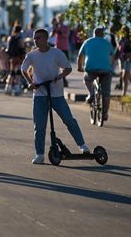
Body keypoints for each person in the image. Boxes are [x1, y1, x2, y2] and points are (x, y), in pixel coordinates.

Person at [21, 28, 90, 164]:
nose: (36, 40)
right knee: (39, 126)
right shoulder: (31, 55)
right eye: (35, 38)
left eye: (39, 38)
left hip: (56, 94)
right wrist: (31, 82)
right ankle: (39, 154)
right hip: (40, 94)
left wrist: (59, 76)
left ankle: (82, 145)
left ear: (46, 39)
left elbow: (68, 68)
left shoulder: (56, 53)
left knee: (69, 120)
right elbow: (24, 69)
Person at [77, 27, 115, 121]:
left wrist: (79, 67)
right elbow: (112, 56)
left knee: (87, 79)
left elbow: (80, 56)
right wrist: (110, 66)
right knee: (106, 93)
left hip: (91, 69)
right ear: (102, 35)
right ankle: (105, 113)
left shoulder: (87, 42)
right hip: (106, 70)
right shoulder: (107, 43)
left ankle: (91, 94)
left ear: (94, 34)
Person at [4, 24, 26, 95]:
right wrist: (24, 56)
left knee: (12, 73)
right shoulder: (20, 39)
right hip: (19, 58)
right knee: (18, 73)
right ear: (20, 31)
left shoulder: (10, 38)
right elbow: (22, 49)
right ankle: (17, 88)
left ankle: (8, 87)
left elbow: (7, 49)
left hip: (12, 58)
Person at [52, 14, 70, 87]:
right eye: (59, 19)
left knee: (65, 65)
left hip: (64, 47)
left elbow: (66, 35)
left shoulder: (66, 27)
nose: (60, 20)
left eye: (61, 19)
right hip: (57, 47)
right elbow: (51, 35)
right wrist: (54, 28)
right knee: (56, 64)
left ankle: (64, 78)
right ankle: (58, 78)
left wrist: (60, 32)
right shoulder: (56, 27)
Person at [117, 25, 131, 96]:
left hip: (129, 59)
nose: (123, 32)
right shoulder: (121, 39)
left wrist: (130, 55)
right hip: (122, 59)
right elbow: (119, 50)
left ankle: (124, 93)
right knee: (126, 75)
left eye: (124, 31)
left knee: (125, 76)